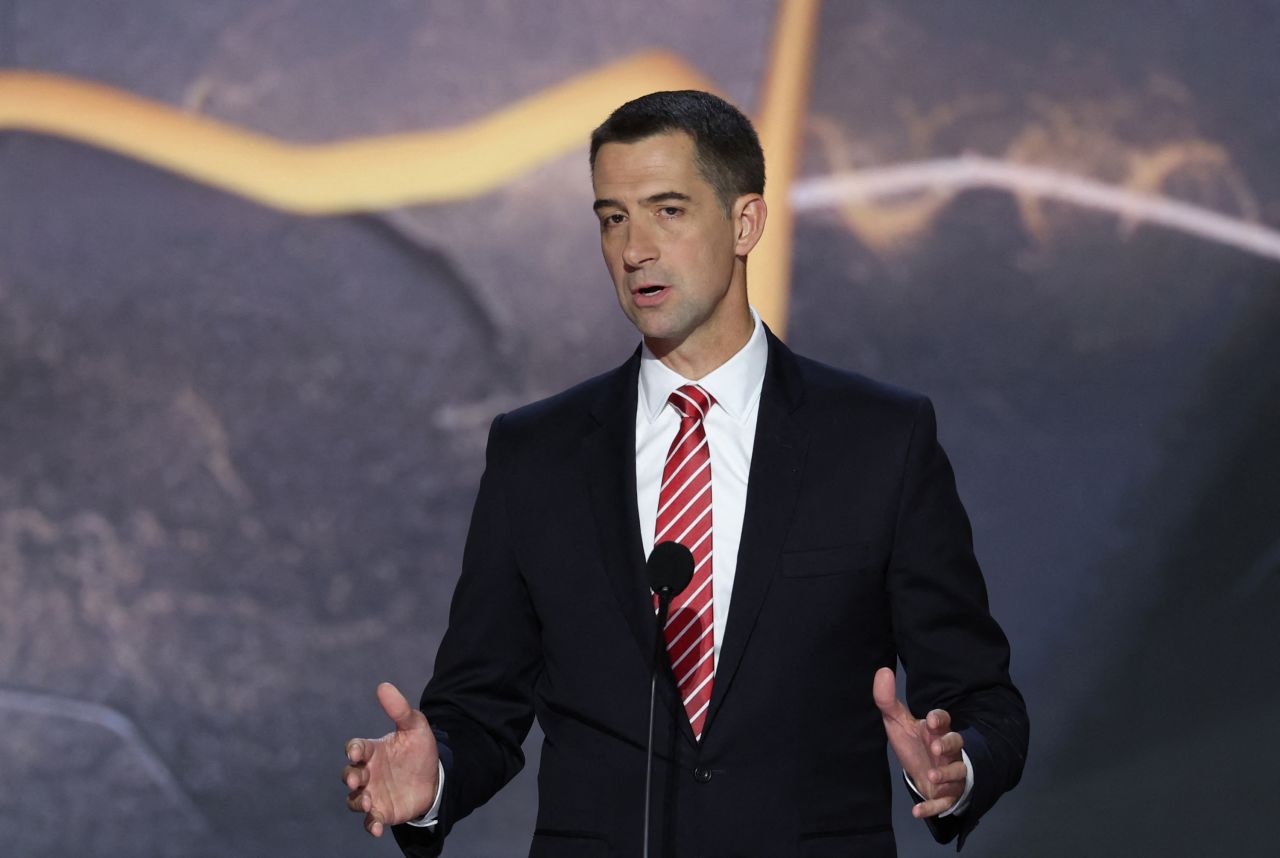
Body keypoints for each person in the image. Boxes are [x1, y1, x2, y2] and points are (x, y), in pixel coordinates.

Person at [342, 90, 1028, 858]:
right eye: (612, 217)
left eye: (667, 211)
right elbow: (479, 706)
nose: (634, 249)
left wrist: (956, 766)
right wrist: (434, 782)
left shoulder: (878, 442)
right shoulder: (536, 454)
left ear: (745, 223)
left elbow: (980, 697)